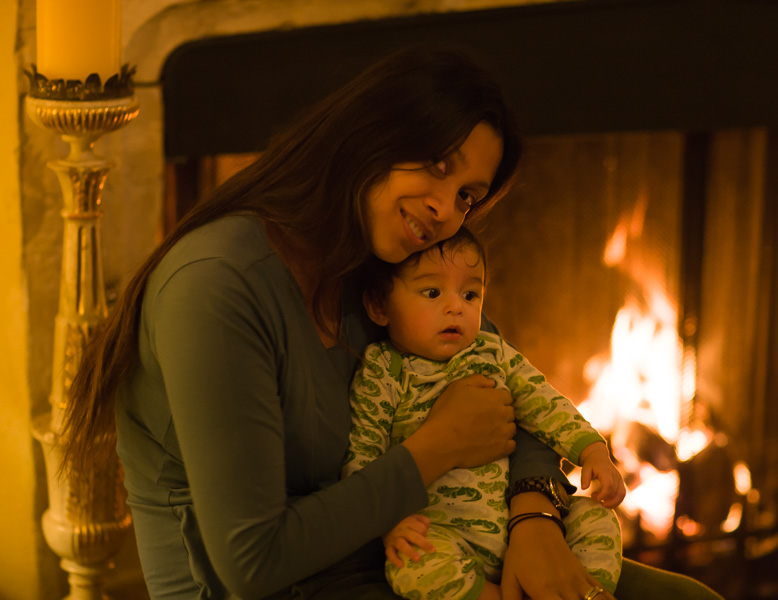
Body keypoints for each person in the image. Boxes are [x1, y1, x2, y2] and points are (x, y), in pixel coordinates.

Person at [59, 46, 724, 600]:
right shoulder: (218, 288)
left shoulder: (378, 265)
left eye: (467, 195)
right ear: (373, 135)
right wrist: (435, 448)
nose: (445, 210)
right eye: (437, 167)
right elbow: (251, 561)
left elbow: (495, 386)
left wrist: (533, 515)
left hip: (413, 555)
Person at [343, 227, 625, 600]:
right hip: (441, 532)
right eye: (432, 292)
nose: (456, 306)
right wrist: (388, 525)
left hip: (514, 526)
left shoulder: (491, 351)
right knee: (411, 565)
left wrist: (592, 451)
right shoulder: (383, 371)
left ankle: (584, 591)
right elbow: (364, 456)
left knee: (599, 518)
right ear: (380, 306)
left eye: (470, 294)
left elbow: (544, 402)